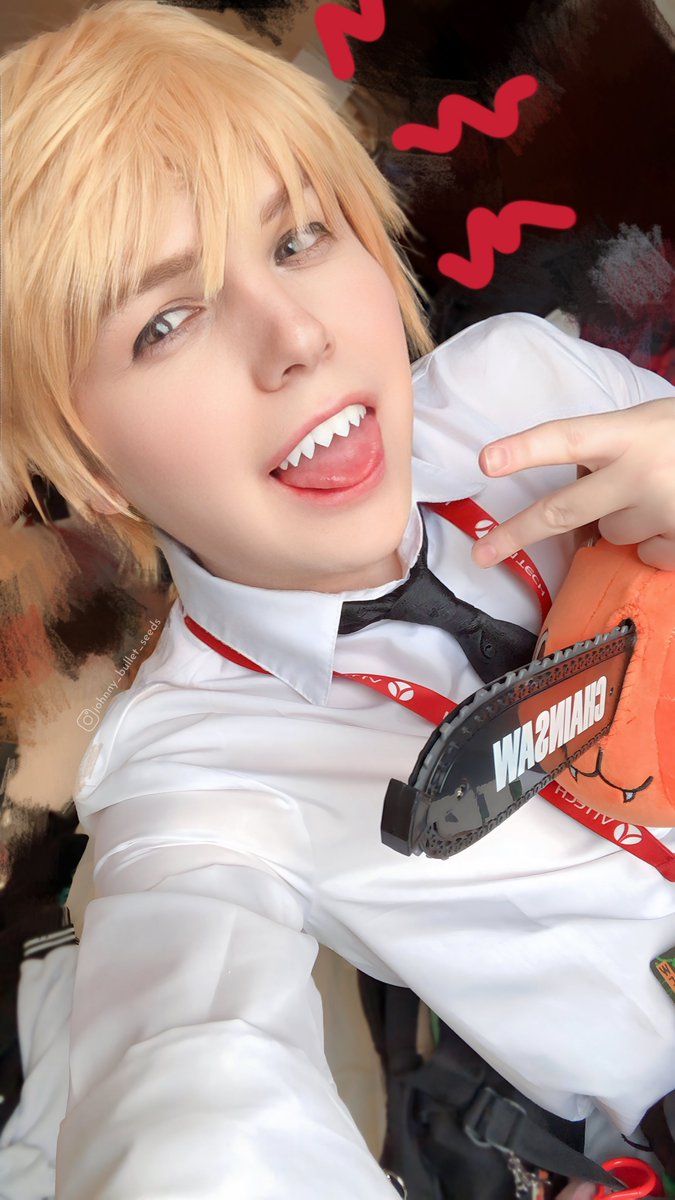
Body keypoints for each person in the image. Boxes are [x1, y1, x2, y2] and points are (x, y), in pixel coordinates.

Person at [2, 2, 674, 1196]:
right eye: (165, 322)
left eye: (300, 237)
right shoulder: (189, 781)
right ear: (89, 465)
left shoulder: (524, 380)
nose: (297, 336)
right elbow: (192, 1104)